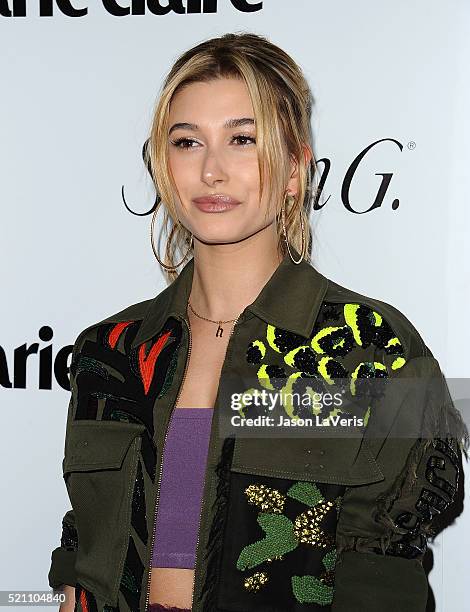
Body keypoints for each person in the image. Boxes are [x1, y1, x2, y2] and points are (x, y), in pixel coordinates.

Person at [48, 32, 468, 612]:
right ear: (163, 165)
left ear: (295, 168)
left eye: (242, 139)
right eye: (187, 142)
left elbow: (385, 579)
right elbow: (84, 555)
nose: (212, 170)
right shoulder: (110, 352)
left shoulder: (370, 349)